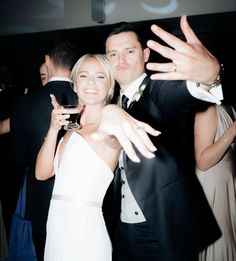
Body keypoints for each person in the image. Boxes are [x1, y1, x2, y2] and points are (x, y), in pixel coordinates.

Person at [95, 15, 225, 261]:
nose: (120, 60)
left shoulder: (158, 89)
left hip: (165, 228)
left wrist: (208, 78)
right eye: (112, 54)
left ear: (145, 55)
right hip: (121, 229)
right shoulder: (110, 103)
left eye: (129, 51)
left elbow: (180, 93)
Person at [35, 54, 158, 261]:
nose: (91, 82)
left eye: (100, 77)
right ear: (74, 84)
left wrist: (113, 111)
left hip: (84, 233)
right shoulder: (70, 130)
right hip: (56, 229)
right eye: (84, 76)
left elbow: (114, 129)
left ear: (110, 85)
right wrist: (54, 128)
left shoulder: (110, 129)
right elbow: (42, 173)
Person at [9, 33, 78, 261]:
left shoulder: (23, 104)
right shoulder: (87, 97)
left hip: (39, 200)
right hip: (81, 198)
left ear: (47, 61)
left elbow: (17, 158)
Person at [194, 102, 236, 261]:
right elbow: (203, 162)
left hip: (226, 184)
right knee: (219, 244)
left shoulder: (229, 106)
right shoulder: (208, 108)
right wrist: (233, 130)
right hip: (213, 185)